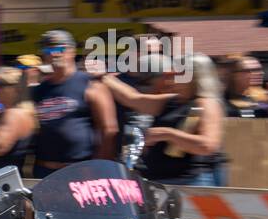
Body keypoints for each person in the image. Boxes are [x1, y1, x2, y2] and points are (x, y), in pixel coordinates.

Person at [92, 53, 224, 186]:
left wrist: (166, 134)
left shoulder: (207, 104)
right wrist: (104, 77)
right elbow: (132, 99)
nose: (171, 75)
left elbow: (208, 145)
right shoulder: (171, 100)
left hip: (190, 182)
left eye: (179, 72)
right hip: (161, 181)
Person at [30, 29, 117, 177]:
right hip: (44, 170)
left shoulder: (90, 84)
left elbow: (109, 129)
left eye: (59, 48)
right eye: (48, 49)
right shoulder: (39, 90)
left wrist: (99, 167)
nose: (54, 54)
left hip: (81, 171)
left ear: (72, 51)